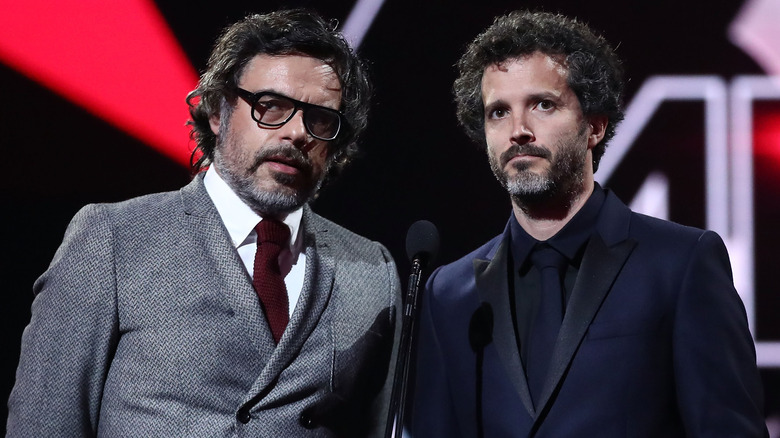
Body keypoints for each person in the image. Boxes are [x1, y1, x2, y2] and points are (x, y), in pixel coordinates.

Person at [7, 9, 400, 437]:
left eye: (319, 119)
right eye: (271, 106)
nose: (296, 133)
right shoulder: (114, 239)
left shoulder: (372, 272)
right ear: (217, 111)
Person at [410, 10, 768, 437]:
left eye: (543, 104)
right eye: (498, 112)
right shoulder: (448, 294)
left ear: (594, 126)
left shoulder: (681, 264)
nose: (519, 130)